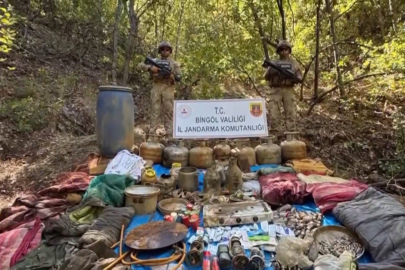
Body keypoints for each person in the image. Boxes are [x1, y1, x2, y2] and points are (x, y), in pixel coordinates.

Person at [138, 41, 182, 137]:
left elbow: (179, 77)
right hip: (156, 86)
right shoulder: (155, 61)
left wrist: (171, 75)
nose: (165, 51)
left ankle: (170, 134)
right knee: (155, 111)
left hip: (168, 88)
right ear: (159, 51)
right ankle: (152, 134)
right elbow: (140, 65)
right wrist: (150, 68)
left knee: (169, 111)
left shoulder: (174, 64)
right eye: (162, 49)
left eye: (167, 49)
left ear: (170, 51)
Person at [264, 40, 302, 132]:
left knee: (291, 113)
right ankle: (274, 136)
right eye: (281, 49)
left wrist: (295, 78)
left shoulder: (294, 64)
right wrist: (273, 71)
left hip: (289, 89)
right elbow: (266, 77)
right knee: (274, 114)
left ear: (289, 50)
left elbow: (299, 76)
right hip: (275, 90)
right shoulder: (274, 64)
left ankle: (291, 136)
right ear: (278, 51)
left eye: (286, 49)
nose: (283, 51)